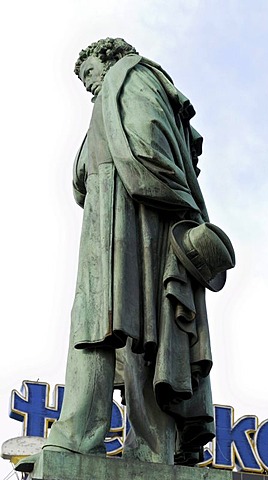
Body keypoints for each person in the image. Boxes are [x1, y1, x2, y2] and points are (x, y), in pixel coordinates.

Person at [16, 37, 235, 472]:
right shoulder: (115, 91)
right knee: (140, 335)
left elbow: (148, 143)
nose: (89, 84)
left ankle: (81, 435)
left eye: (89, 73)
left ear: (109, 59)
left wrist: (151, 191)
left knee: (113, 330)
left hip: (132, 220)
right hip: (112, 218)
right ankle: (146, 446)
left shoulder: (130, 75)